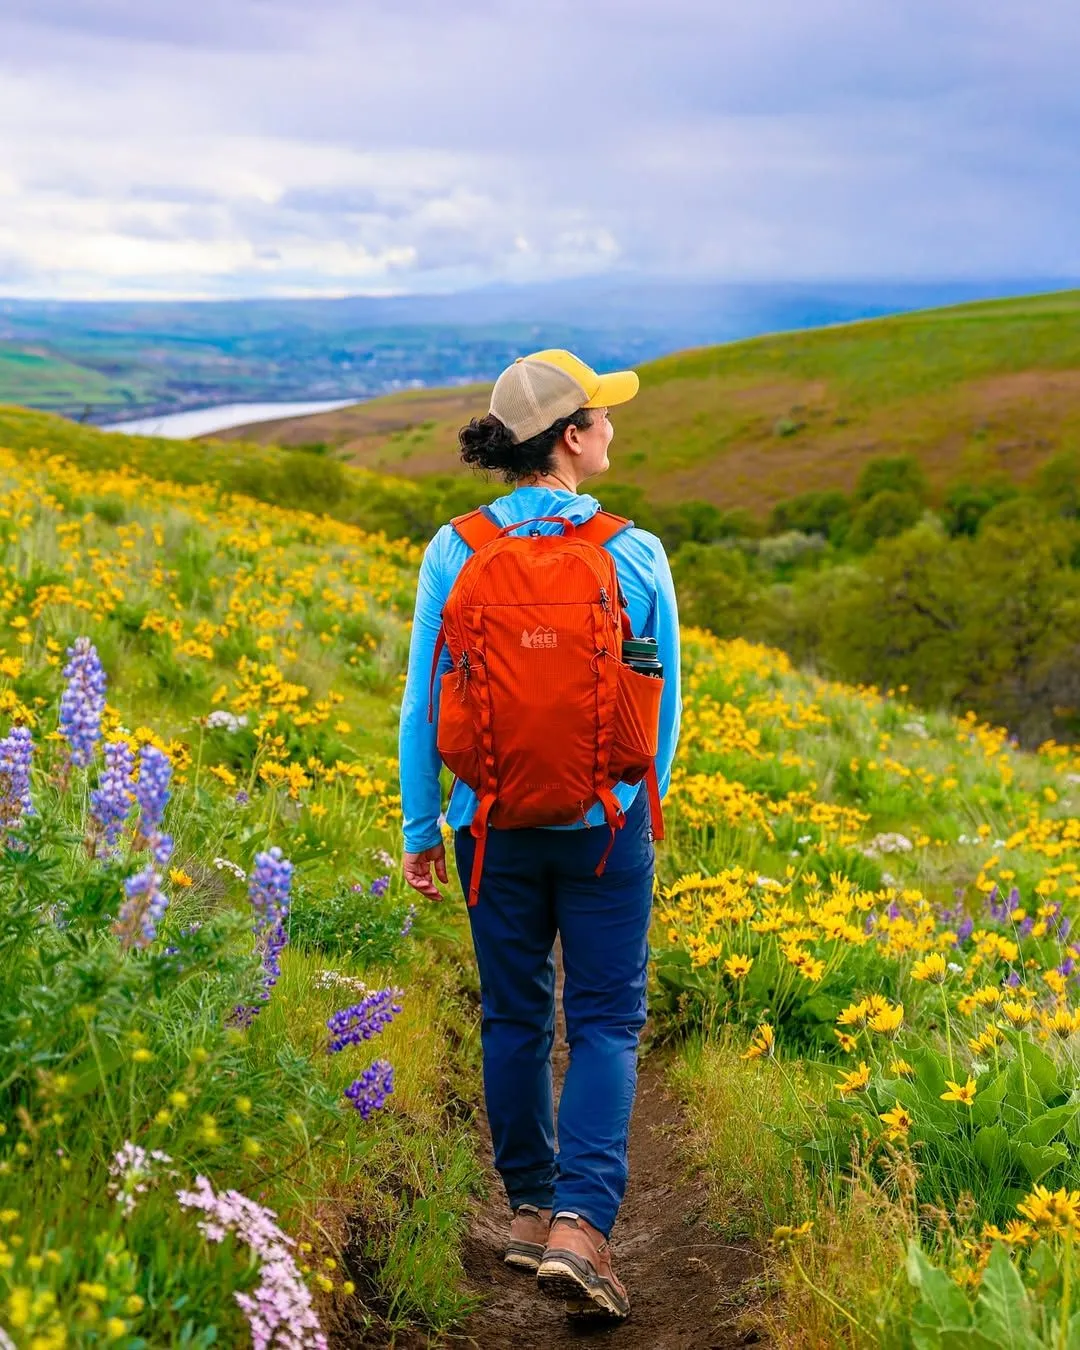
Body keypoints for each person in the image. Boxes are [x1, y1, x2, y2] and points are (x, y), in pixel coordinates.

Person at [398, 349, 682, 1321]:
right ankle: (583, 1228)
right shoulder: (635, 552)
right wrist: (639, 810)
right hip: (607, 827)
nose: (612, 427)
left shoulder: (454, 549)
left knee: (515, 1016)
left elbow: (419, 703)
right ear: (570, 436)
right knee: (604, 1022)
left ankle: (528, 1208)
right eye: (602, 414)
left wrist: (423, 823)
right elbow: (663, 708)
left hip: (488, 824)